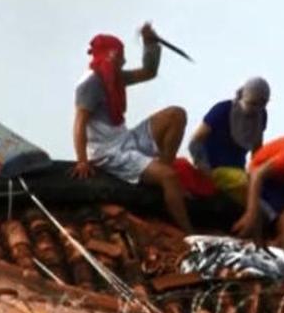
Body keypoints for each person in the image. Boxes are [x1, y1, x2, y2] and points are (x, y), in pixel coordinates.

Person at [71, 22, 193, 233]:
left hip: (125, 140)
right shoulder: (90, 84)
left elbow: (148, 72)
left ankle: (160, 171)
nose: (124, 61)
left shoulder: (114, 77)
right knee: (170, 177)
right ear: (110, 57)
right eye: (120, 57)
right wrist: (82, 161)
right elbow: (79, 122)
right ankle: (189, 233)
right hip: (108, 152)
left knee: (176, 114)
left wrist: (150, 44)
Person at [188, 77, 270, 203]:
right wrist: (204, 169)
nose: (255, 108)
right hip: (214, 169)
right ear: (244, 96)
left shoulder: (261, 117)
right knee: (251, 190)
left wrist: (256, 173)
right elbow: (195, 141)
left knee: (266, 189)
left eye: (261, 105)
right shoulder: (223, 109)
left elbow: (257, 150)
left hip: (238, 172)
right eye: (252, 103)